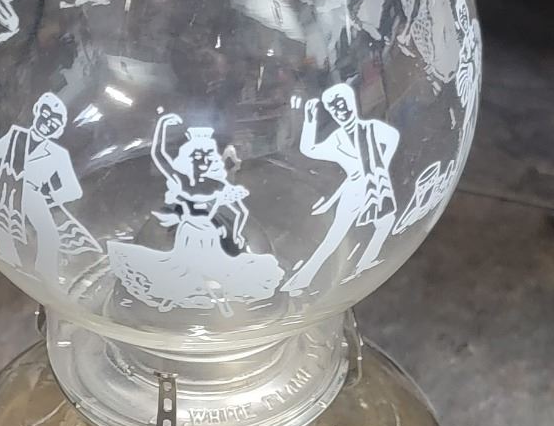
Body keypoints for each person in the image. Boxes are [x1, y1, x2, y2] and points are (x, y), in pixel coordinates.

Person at [107, 113, 283, 314]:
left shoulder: (217, 184)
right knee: (184, 270)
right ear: (188, 159)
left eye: (207, 156)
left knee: (212, 270)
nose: (203, 161)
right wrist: (162, 125)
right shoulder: (182, 181)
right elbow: (159, 155)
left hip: (208, 234)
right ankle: (171, 298)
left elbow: (239, 212)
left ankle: (220, 303)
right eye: (197, 157)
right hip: (187, 232)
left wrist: (235, 235)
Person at [0, 87, 99, 284]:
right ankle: (14, 262)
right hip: (9, 189)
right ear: (37, 112)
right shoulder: (17, 135)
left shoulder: (57, 154)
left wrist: (52, 197)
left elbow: (73, 190)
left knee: (49, 235)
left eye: (53, 124)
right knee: (3, 226)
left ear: (57, 130)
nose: (47, 125)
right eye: (45, 116)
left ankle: (45, 274)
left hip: (33, 195)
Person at [282, 83, 399, 295]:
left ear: (352, 104)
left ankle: (366, 261)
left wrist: (381, 165)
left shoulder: (372, 128)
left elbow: (393, 137)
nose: (340, 112)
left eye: (342, 105)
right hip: (354, 190)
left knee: (385, 221)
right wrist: (310, 121)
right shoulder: (338, 139)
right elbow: (310, 149)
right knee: (335, 235)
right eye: (334, 109)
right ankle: (304, 277)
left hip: (376, 185)